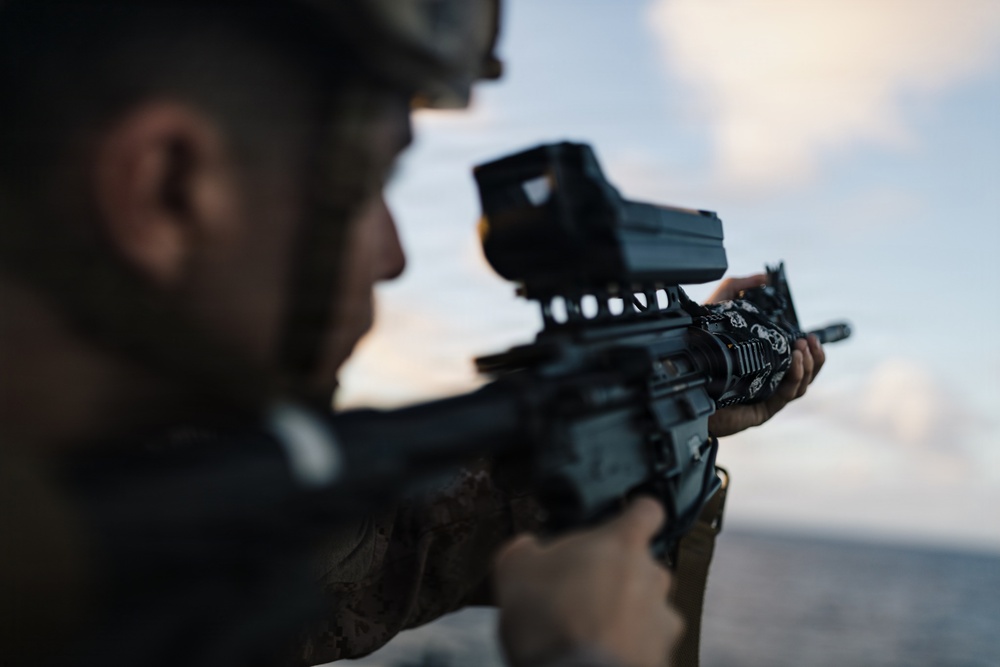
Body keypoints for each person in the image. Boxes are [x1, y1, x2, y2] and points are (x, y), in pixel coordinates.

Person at [0, 1, 825, 666]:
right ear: (170, 187)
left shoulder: (99, 504)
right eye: (373, 182)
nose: (393, 254)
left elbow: (369, 554)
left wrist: (658, 417)